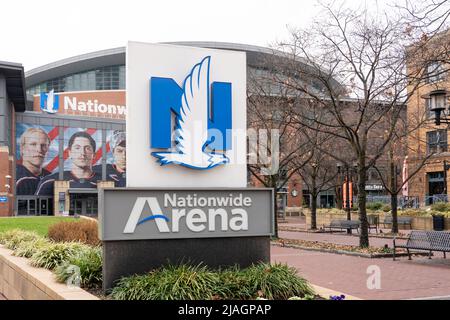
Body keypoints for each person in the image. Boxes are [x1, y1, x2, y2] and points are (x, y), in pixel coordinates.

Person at [36, 131, 101, 195]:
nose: (83, 153)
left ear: (94, 155)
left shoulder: (105, 182)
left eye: (87, 148)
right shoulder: (49, 181)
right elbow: (34, 204)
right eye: (77, 148)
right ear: (70, 153)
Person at [16, 127, 51, 195]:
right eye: (33, 144)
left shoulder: (51, 178)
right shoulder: (14, 178)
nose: (39, 149)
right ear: (22, 149)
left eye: (43, 145)